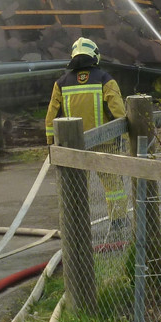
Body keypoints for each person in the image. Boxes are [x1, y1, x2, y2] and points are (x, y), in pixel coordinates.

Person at [45, 37, 128, 237]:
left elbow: (52, 116)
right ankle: (118, 221)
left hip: (75, 146)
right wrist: (124, 138)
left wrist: (51, 144)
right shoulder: (105, 79)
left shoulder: (61, 83)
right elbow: (117, 110)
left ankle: (77, 223)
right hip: (105, 143)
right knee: (113, 185)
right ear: (95, 55)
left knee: (77, 187)